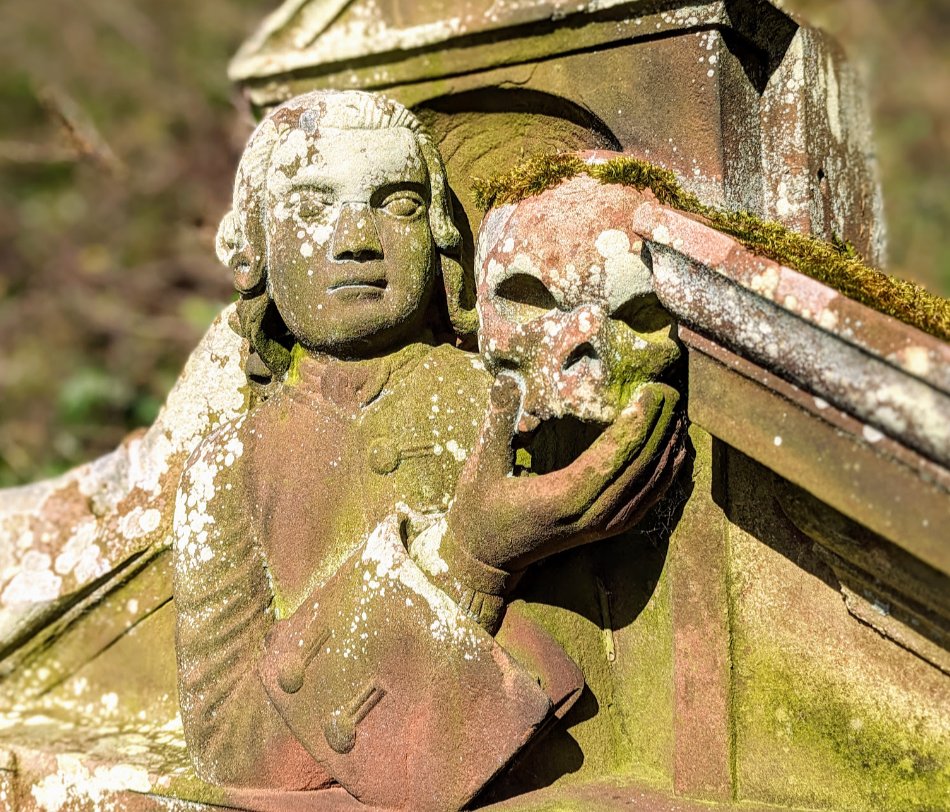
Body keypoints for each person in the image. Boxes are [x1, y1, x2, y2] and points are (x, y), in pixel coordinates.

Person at [172, 90, 682, 806]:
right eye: (313, 206)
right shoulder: (227, 465)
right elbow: (232, 749)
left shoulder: (508, 397)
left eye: (400, 204)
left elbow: (588, 672)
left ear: (441, 238)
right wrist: (466, 559)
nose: (357, 238)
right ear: (254, 247)